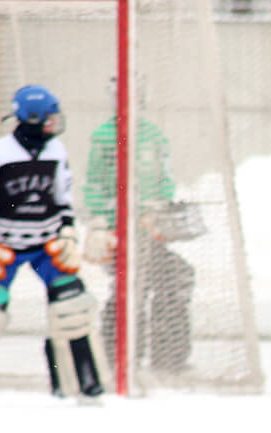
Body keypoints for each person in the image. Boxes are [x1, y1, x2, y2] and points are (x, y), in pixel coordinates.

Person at [0, 84, 107, 400]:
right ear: (33, 118)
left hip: (46, 246)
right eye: (49, 118)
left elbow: (63, 197)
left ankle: (79, 384)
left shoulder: (56, 152)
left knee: (72, 309)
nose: (54, 123)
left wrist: (68, 231)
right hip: (6, 246)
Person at [82, 80, 197, 374]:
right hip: (118, 232)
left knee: (173, 277)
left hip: (148, 231)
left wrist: (159, 211)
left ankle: (168, 358)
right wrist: (100, 223)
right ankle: (118, 355)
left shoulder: (152, 136)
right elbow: (94, 184)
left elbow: (165, 179)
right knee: (129, 285)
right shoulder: (105, 137)